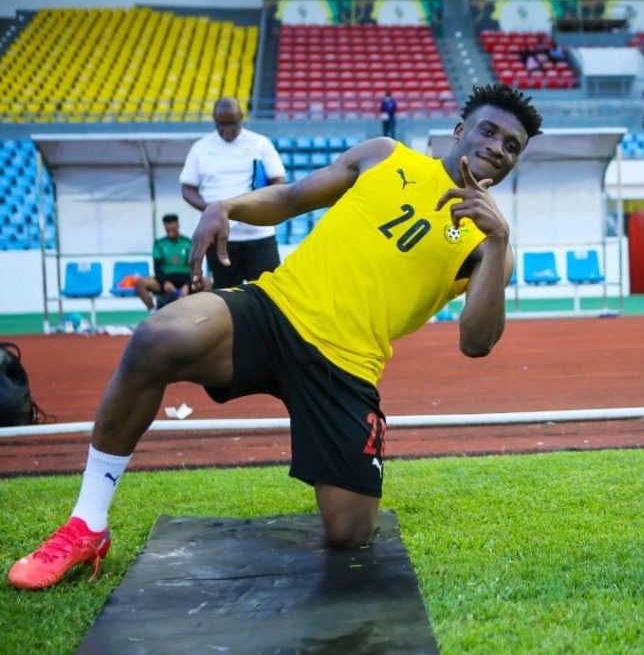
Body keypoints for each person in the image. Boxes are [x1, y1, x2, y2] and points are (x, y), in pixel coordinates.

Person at [8, 83, 542, 590]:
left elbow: (476, 342)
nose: (497, 148)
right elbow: (290, 197)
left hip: (348, 367)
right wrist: (228, 207)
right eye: (489, 131)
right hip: (275, 310)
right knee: (156, 339)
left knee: (350, 533)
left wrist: (497, 243)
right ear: (459, 129)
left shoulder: (490, 245)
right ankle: (87, 525)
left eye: (511, 146)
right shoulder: (386, 156)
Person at [180, 97, 286, 289]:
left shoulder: (260, 143)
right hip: (221, 237)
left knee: (269, 293)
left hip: (259, 234)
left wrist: (258, 206)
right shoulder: (201, 147)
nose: (227, 129)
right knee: (226, 294)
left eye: (233, 123)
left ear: (241, 117)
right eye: (222, 123)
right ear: (214, 119)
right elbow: (187, 189)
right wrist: (214, 210)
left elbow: (278, 181)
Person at [134, 214, 205, 312]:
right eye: (168, 230)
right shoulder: (159, 244)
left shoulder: (187, 243)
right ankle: (153, 311)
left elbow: (194, 267)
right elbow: (157, 268)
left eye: (173, 230)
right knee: (140, 283)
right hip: (165, 281)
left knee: (207, 282)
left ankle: (202, 311)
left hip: (186, 280)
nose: (170, 233)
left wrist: (188, 285)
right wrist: (165, 282)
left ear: (178, 226)